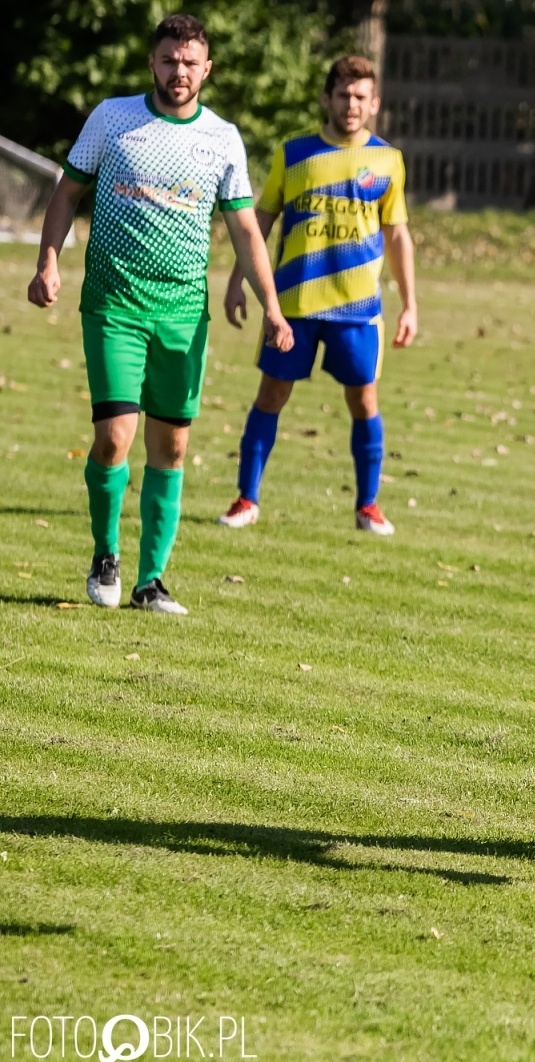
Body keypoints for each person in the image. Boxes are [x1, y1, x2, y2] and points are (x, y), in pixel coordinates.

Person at [28, 13, 292, 615]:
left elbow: (246, 228)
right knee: (114, 438)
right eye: (169, 60)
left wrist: (272, 309)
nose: (179, 72)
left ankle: (151, 581)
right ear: (153, 62)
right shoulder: (112, 119)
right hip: (113, 304)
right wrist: (49, 261)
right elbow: (68, 190)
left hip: (182, 314)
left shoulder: (222, 138)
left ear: (207, 69)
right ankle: (105, 553)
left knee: (170, 449)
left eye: (190, 62)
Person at [217, 54, 416, 535]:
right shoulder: (293, 153)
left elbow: (397, 234)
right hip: (291, 307)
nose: (352, 105)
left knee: (363, 402)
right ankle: (247, 498)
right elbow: (258, 221)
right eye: (344, 95)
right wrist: (235, 280)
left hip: (357, 309)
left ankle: (368, 505)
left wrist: (410, 303)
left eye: (361, 97)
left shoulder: (388, 160)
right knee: (271, 394)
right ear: (327, 99)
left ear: (375, 104)